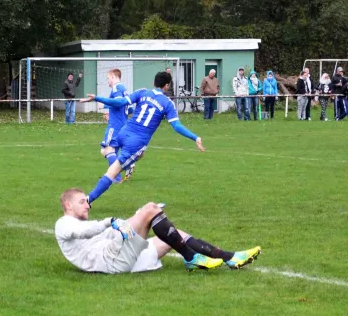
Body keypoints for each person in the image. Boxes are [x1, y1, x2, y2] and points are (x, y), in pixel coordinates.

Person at [55, 188, 261, 274]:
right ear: (68, 206)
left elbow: (112, 231)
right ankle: (191, 258)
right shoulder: (64, 224)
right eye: (82, 202)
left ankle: (229, 257)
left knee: (173, 234)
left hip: (118, 256)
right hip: (110, 260)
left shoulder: (85, 225)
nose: (87, 205)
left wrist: (135, 217)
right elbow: (85, 233)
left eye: (87, 201)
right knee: (150, 209)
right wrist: (109, 221)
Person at [83, 72, 204, 203]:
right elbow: (176, 126)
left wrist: (97, 98)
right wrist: (195, 137)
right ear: (167, 86)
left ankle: (130, 162)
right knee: (112, 172)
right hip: (136, 142)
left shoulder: (142, 92)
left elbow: (121, 102)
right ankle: (87, 200)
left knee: (109, 150)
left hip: (123, 132)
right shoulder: (167, 103)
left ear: (154, 83)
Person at [79, 68, 131, 183]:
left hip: (115, 126)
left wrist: (96, 98)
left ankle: (121, 173)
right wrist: (109, 110)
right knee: (113, 151)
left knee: (106, 150)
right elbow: (127, 107)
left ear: (113, 77)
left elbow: (118, 103)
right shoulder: (124, 89)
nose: (108, 81)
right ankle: (114, 175)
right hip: (122, 124)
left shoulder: (116, 87)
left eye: (108, 78)